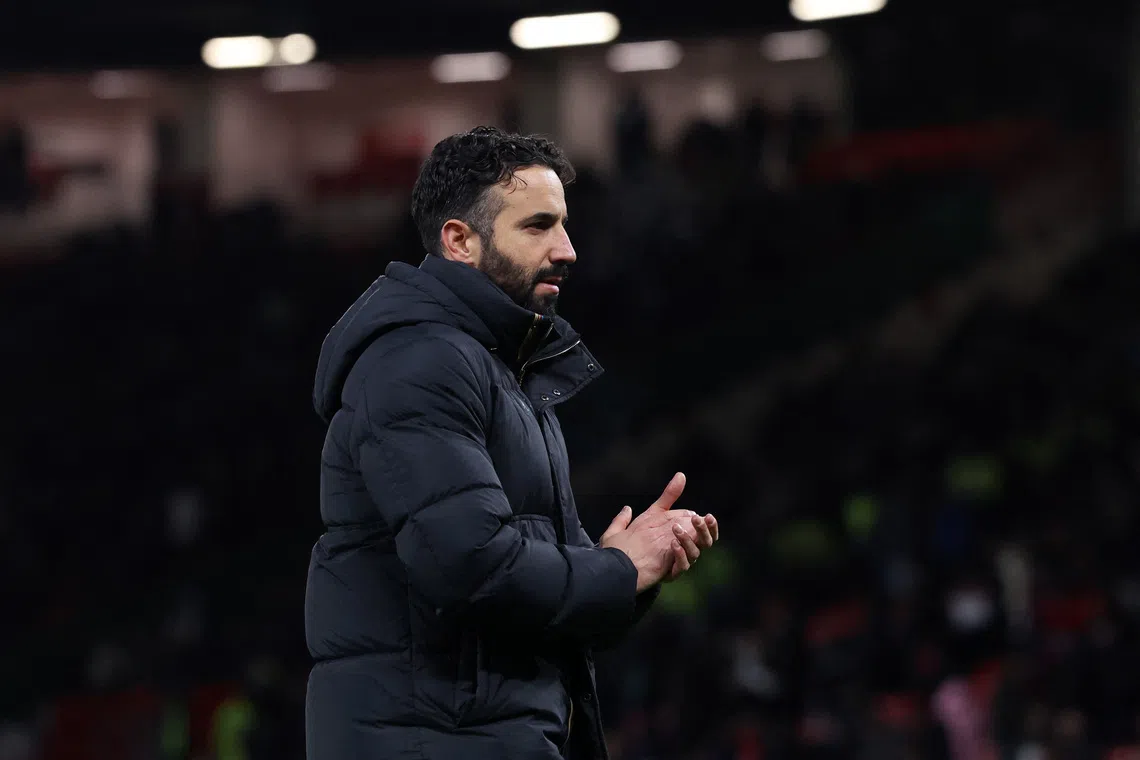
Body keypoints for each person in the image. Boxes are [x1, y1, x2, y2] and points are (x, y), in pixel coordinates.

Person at [305, 126, 720, 760]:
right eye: (538, 227)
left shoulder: (500, 370)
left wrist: (632, 564)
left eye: (564, 225)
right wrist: (617, 567)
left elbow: (543, 601)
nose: (568, 249)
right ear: (459, 240)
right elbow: (468, 565)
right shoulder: (420, 361)